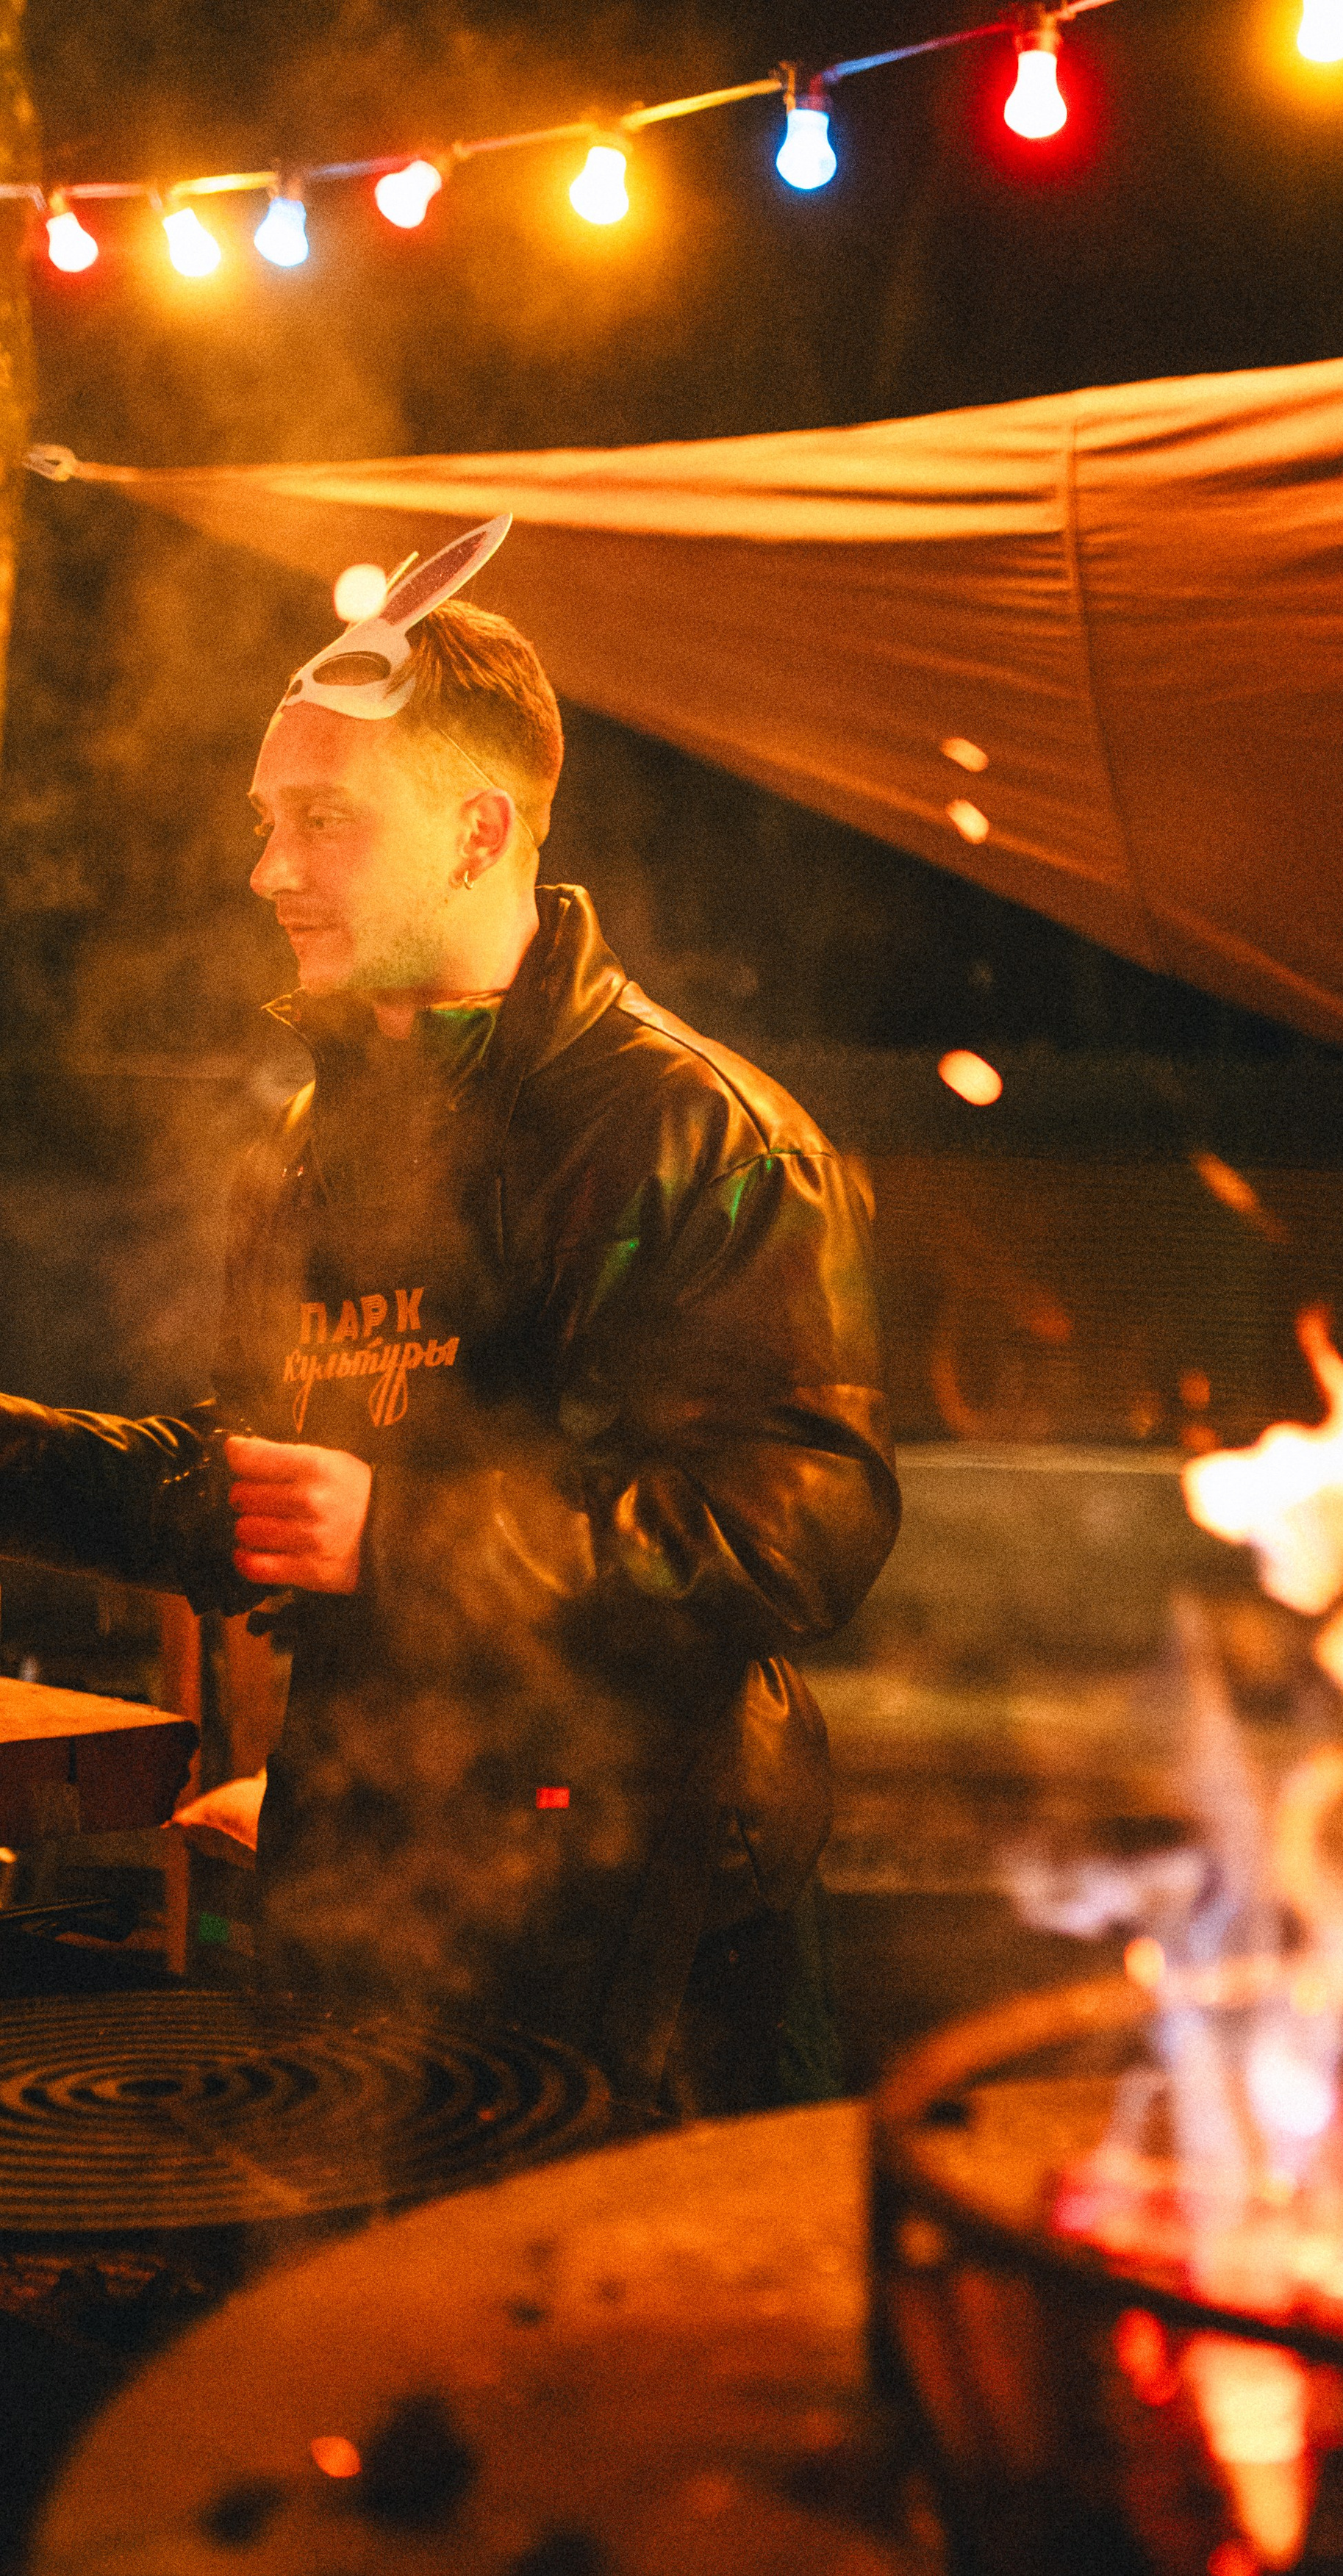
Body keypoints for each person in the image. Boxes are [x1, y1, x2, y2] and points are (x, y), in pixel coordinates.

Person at [0, 519, 900, 2120]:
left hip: (657, 1947)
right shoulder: (313, 1145)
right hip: (372, 1896)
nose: (266, 870)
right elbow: (257, 1495)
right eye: (268, 822)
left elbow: (797, 1532)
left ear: (479, 831)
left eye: (321, 822)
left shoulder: (703, 1137)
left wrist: (396, 1535)